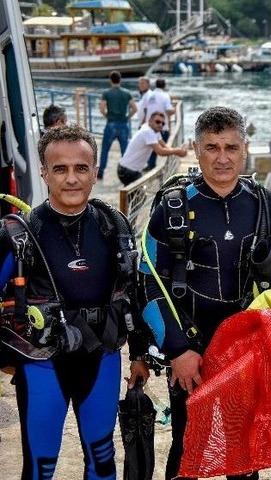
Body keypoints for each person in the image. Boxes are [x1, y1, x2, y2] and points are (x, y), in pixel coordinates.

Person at [139, 106, 271, 480]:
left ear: (244, 150)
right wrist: (177, 350)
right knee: (188, 445)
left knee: (243, 446)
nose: (222, 158)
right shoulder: (173, 209)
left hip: (247, 350)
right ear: (196, 150)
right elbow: (148, 283)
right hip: (191, 346)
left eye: (231, 147)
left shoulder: (267, 205)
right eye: (212, 147)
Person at [0, 125, 146, 479]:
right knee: (40, 465)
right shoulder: (19, 233)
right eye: (60, 169)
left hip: (103, 358)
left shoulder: (114, 226)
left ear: (95, 172)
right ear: (43, 172)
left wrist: (140, 354)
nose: (71, 179)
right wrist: (5, 355)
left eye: (81, 168)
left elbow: (134, 292)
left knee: (102, 459)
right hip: (41, 365)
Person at [117, 111, 187, 186]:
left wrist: (177, 150)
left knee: (136, 195)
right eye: (157, 122)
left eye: (163, 123)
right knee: (140, 196)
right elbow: (160, 151)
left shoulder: (153, 129)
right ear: (150, 121)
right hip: (128, 171)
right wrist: (177, 151)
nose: (160, 125)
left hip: (127, 169)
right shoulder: (148, 132)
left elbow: (164, 146)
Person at [98, 70, 137, 179]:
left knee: (105, 149)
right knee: (125, 150)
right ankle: (127, 171)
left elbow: (101, 108)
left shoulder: (106, 93)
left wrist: (107, 116)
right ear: (120, 80)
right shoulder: (127, 93)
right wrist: (127, 117)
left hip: (111, 124)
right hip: (123, 124)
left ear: (111, 80)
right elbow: (134, 108)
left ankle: (101, 172)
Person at [138, 78, 174, 170]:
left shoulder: (149, 95)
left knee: (151, 148)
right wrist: (174, 110)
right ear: (164, 86)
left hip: (149, 125)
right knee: (162, 148)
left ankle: (151, 165)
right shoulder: (165, 96)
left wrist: (142, 123)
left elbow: (145, 110)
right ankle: (164, 167)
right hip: (161, 126)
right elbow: (168, 109)